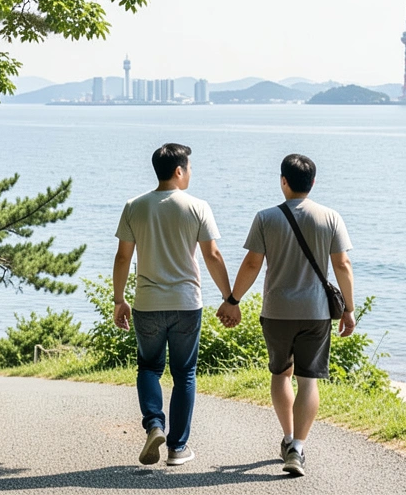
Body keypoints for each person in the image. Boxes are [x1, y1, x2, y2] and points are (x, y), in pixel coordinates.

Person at [217, 154, 356, 477]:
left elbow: (252, 264)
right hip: (316, 312)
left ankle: (288, 437)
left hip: (277, 311)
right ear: (313, 183)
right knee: (309, 380)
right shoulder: (330, 217)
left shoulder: (266, 218)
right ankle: (298, 447)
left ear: (283, 181)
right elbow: (343, 266)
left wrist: (233, 300)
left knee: (281, 374)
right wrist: (348, 309)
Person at [113, 143, 233, 467]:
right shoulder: (198, 207)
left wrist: (119, 300)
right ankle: (178, 448)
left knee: (149, 367)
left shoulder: (134, 206)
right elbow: (212, 255)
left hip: (147, 303)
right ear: (179, 170)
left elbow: (124, 256)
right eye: (189, 167)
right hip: (186, 303)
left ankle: (154, 424)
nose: (191, 172)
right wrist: (229, 298)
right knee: (185, 374)